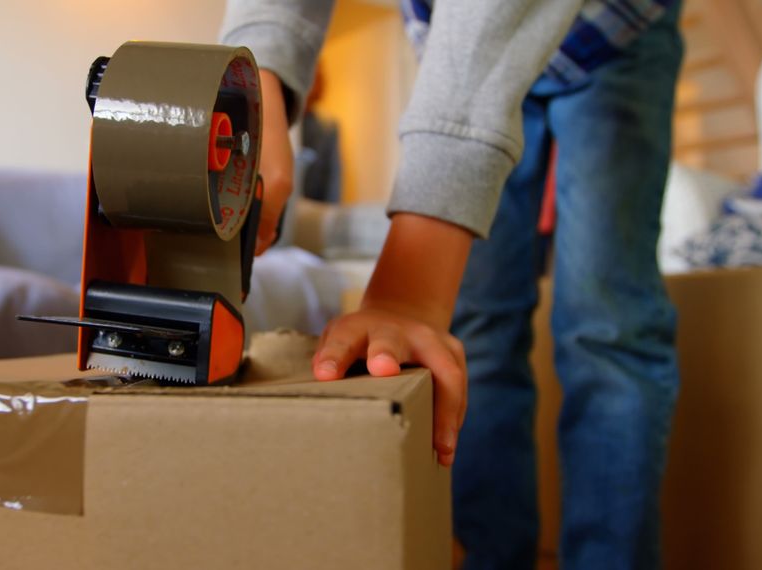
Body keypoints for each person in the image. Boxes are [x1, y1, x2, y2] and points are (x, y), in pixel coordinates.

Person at [220, 1, 682, 569]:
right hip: (454, 38)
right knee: (479, 328)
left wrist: (407, 294)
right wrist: (254, 81)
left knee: (608, 329)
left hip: (610, 32)